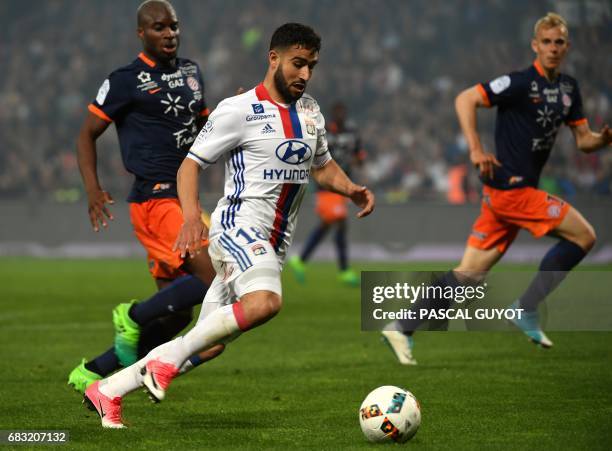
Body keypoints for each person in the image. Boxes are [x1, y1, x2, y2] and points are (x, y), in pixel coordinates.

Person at [82, 22, 375, 428]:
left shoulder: (310, 113)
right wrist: (189, 217)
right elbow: (190, 166)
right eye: (297, 64)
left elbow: (322, 166)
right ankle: (161, 365)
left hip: (273, 241)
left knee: (210, 343)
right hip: (238, 229)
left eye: (311, 66)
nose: (305, 74)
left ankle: (107, 390)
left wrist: (351, 189)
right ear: (273, 58)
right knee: (265, 302)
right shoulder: (238, 110)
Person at [382, 12, 611, 365]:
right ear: (535, 45)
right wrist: (475, 147)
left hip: (506, 198)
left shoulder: (569, 90)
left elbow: (583, 141)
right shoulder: (520, 83)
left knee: (470, 274)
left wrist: (602, 139)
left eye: (559, 42)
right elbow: (465, 99)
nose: (552, 48)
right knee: (584, 236)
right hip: (513, 191)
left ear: (567, 47)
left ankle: (401, 326)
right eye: (546, 42)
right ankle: (526, 307)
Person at [68, 0, 220, 394]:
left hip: (184, 198)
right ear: (141, 33)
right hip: (154, 200)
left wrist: (229, 114)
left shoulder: (191, 72)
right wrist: (92, 189)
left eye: (173, 26)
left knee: (175, 317)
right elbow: (86, 134)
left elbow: (203, 124)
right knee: (212, 278)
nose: (169, 33)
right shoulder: (124, 80)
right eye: (159, 27)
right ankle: (131, 314)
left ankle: (93, 372)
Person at [288, 101, 365, 286]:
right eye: (337, 112)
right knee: (338, 221)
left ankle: (301, 260)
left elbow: (359, 156)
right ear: (332, 115)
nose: (340, 116)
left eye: (342, 112)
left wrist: (357, 161)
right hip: (327, 185)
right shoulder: (324, 132)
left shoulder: (352, 133)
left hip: (344, 185)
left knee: (329, 225)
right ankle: (344, 270)